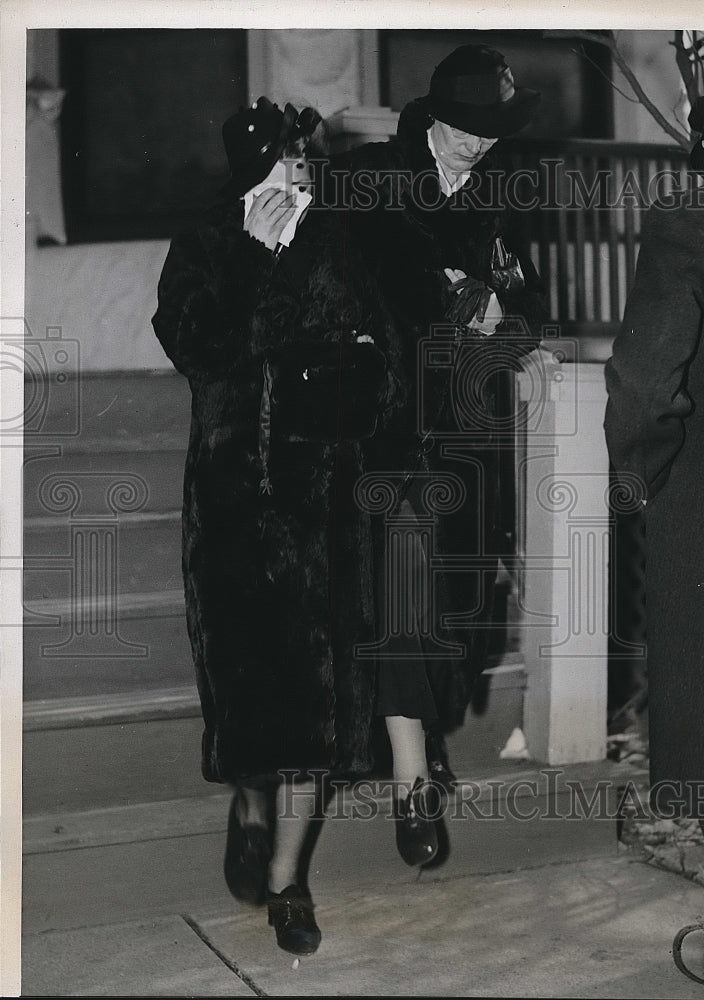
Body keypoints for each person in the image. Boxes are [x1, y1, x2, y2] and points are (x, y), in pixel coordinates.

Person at [151, 95, 452, 957]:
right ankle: (246, 808)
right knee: (253, 701)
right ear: (251, 170)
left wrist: (382, 421)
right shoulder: (209, 243)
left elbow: (386, 347)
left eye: (303, 160)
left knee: (316, 709)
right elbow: (197, 347)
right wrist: (251, 258)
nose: (300, 174)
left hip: (327, 500)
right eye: (285, 161)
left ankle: (289, 883)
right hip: (236, 503)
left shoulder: (338, 238)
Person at [327, 44, 548, 785]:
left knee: (455, 600)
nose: (480, 142)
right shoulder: (371, 180)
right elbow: (358, 287)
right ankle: (410, 771)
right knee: (399, 594)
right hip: (389, 425)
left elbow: (528, 309)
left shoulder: (501, 195)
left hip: (467, 430)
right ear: (435, 115)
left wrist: (501, 320)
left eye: (492, 130)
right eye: (466, 127)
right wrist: (449, 295)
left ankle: (423, 738)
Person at [604, 95, 704, 985]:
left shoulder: (692, 216)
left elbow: (647, 378)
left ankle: (689, 821)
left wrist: (637, 473)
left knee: (693, 645)